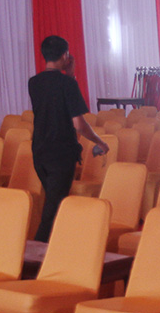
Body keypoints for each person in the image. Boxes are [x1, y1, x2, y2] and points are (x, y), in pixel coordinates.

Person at [28, 35, 109, 242]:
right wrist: (99, 141)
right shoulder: (67, 84)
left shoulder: (34, 82)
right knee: (52, 210)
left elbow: (55, 97)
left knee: (55, 204)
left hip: (39, 152)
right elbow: (79, 124)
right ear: (65, 55)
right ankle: (35, 257)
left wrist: (69, 76)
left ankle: (58, 247)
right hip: (60, 153)